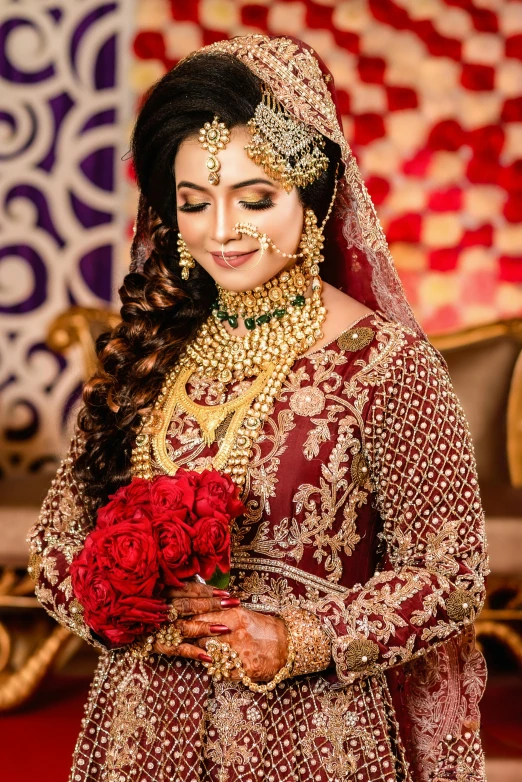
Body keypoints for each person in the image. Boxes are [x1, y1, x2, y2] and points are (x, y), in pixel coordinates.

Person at [28, 35, 489, 782]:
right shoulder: (151, 348)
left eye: (254, 197)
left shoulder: (385, 364)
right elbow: (54, 545)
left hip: (313, 733)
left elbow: (452, 573)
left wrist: (298, 638)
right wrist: (121, 604)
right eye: (193, 202)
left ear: (310, 192)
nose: (221, 231)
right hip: (145, 728)